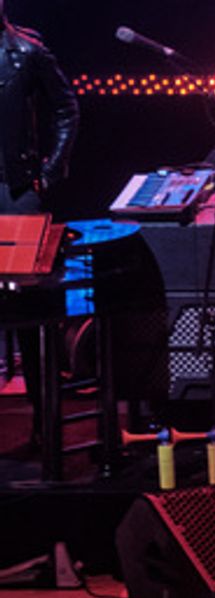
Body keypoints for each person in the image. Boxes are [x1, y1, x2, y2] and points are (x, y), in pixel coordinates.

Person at [0, 1, 79, 451]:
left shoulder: (25, 53)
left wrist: (49, 172)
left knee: (29, 313)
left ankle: (43, 426)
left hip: (14, 192)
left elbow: (67, 109)